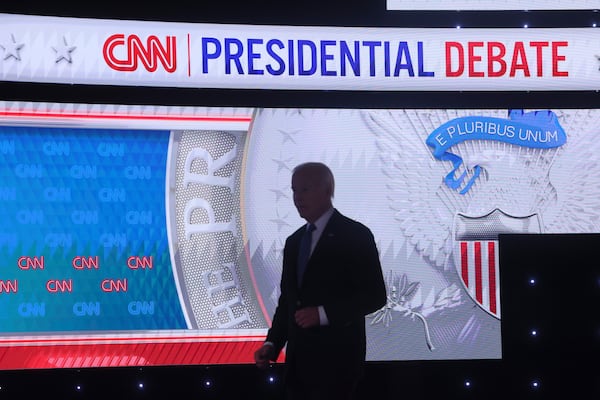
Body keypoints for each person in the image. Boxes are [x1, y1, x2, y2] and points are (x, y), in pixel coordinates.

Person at [254, 162, 387, 400]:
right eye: (294, 190)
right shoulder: (294, 242)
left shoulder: (355, 235)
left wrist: (323, 314)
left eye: (305, 189)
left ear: (328, 190)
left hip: (339, 367)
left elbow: (375, 296)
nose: (298, 197)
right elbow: (289, 300)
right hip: (297, 369)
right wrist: (272, 343)